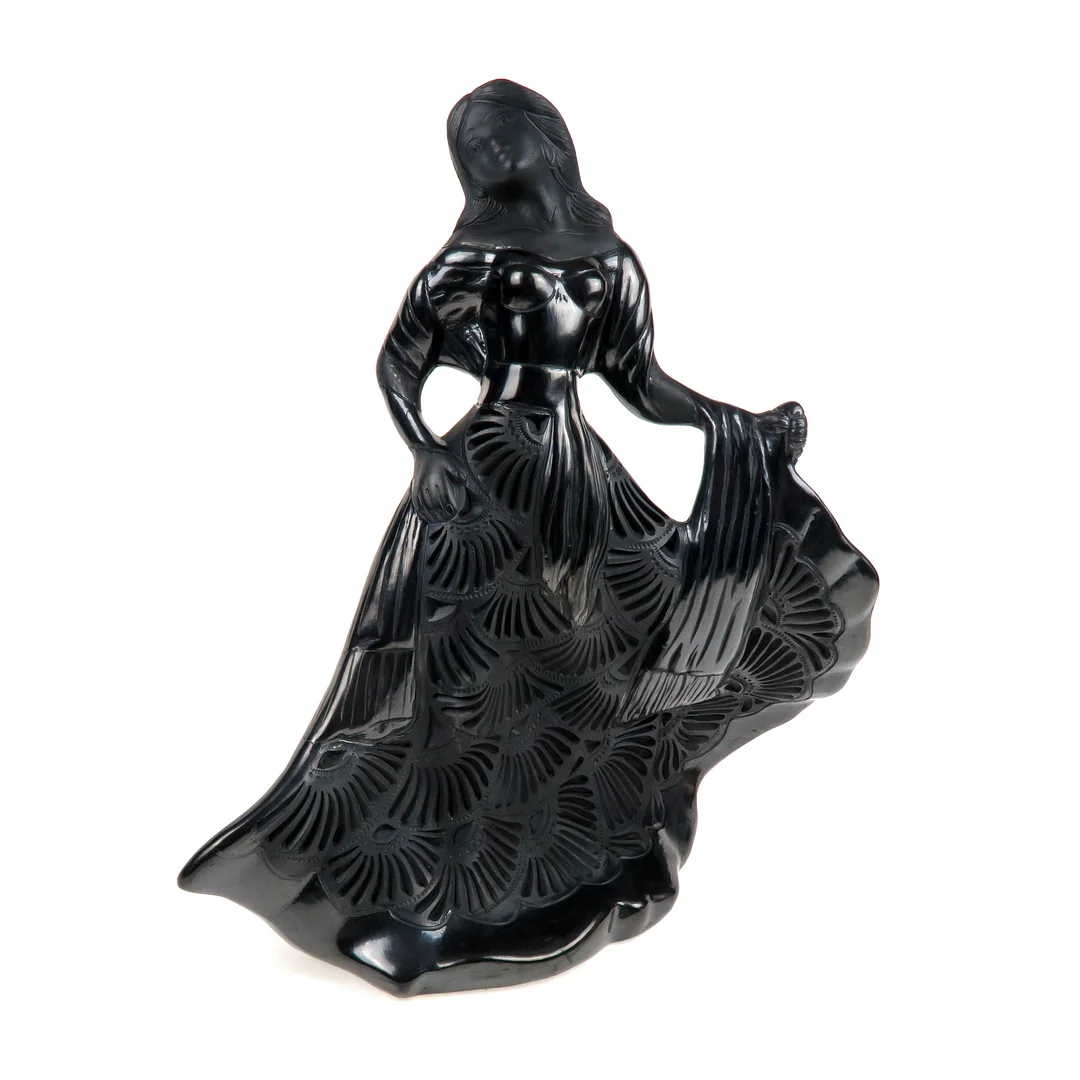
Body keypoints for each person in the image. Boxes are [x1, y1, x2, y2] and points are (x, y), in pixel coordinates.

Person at [179, 80, 878, 995]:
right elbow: (399, 362)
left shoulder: (610, 258)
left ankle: (563, 855)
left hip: (571, 476)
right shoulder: (468, 257)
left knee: (591, 651)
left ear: (541, 137)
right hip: (485, 470)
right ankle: (415, 884)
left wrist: (731, 423)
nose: (481, 153)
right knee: (454, 673)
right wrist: (425, 451)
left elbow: (641, 385)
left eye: (492, 135)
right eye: (468, 143)